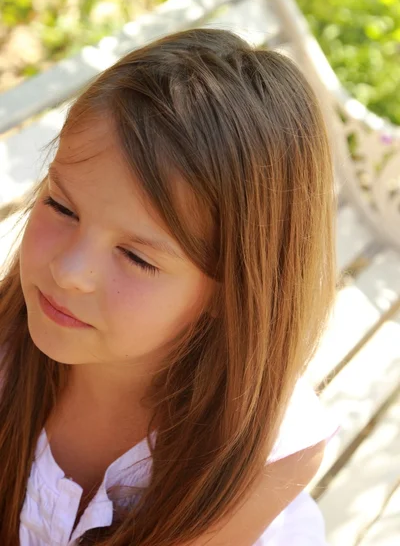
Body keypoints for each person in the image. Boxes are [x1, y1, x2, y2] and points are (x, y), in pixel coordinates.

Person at [0, 27, 337, 546]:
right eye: (61, 206)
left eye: (136, 256)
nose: (70, 270)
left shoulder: (262, 450)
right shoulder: (9, 346)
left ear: (231, 292)